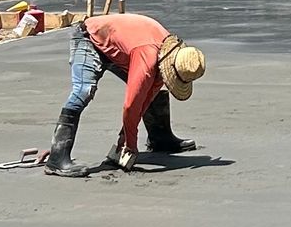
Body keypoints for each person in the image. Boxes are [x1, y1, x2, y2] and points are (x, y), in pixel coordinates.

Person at [42, 11, 206, 176]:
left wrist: (125, 141)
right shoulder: (148, 56)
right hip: (89, 38)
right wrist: (131, 145)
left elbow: (147, 95)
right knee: (83, 91)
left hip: (120, 45)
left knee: (152, 88)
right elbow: (131, 105)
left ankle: (160, 139)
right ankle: (57, 159)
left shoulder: (170, 53)